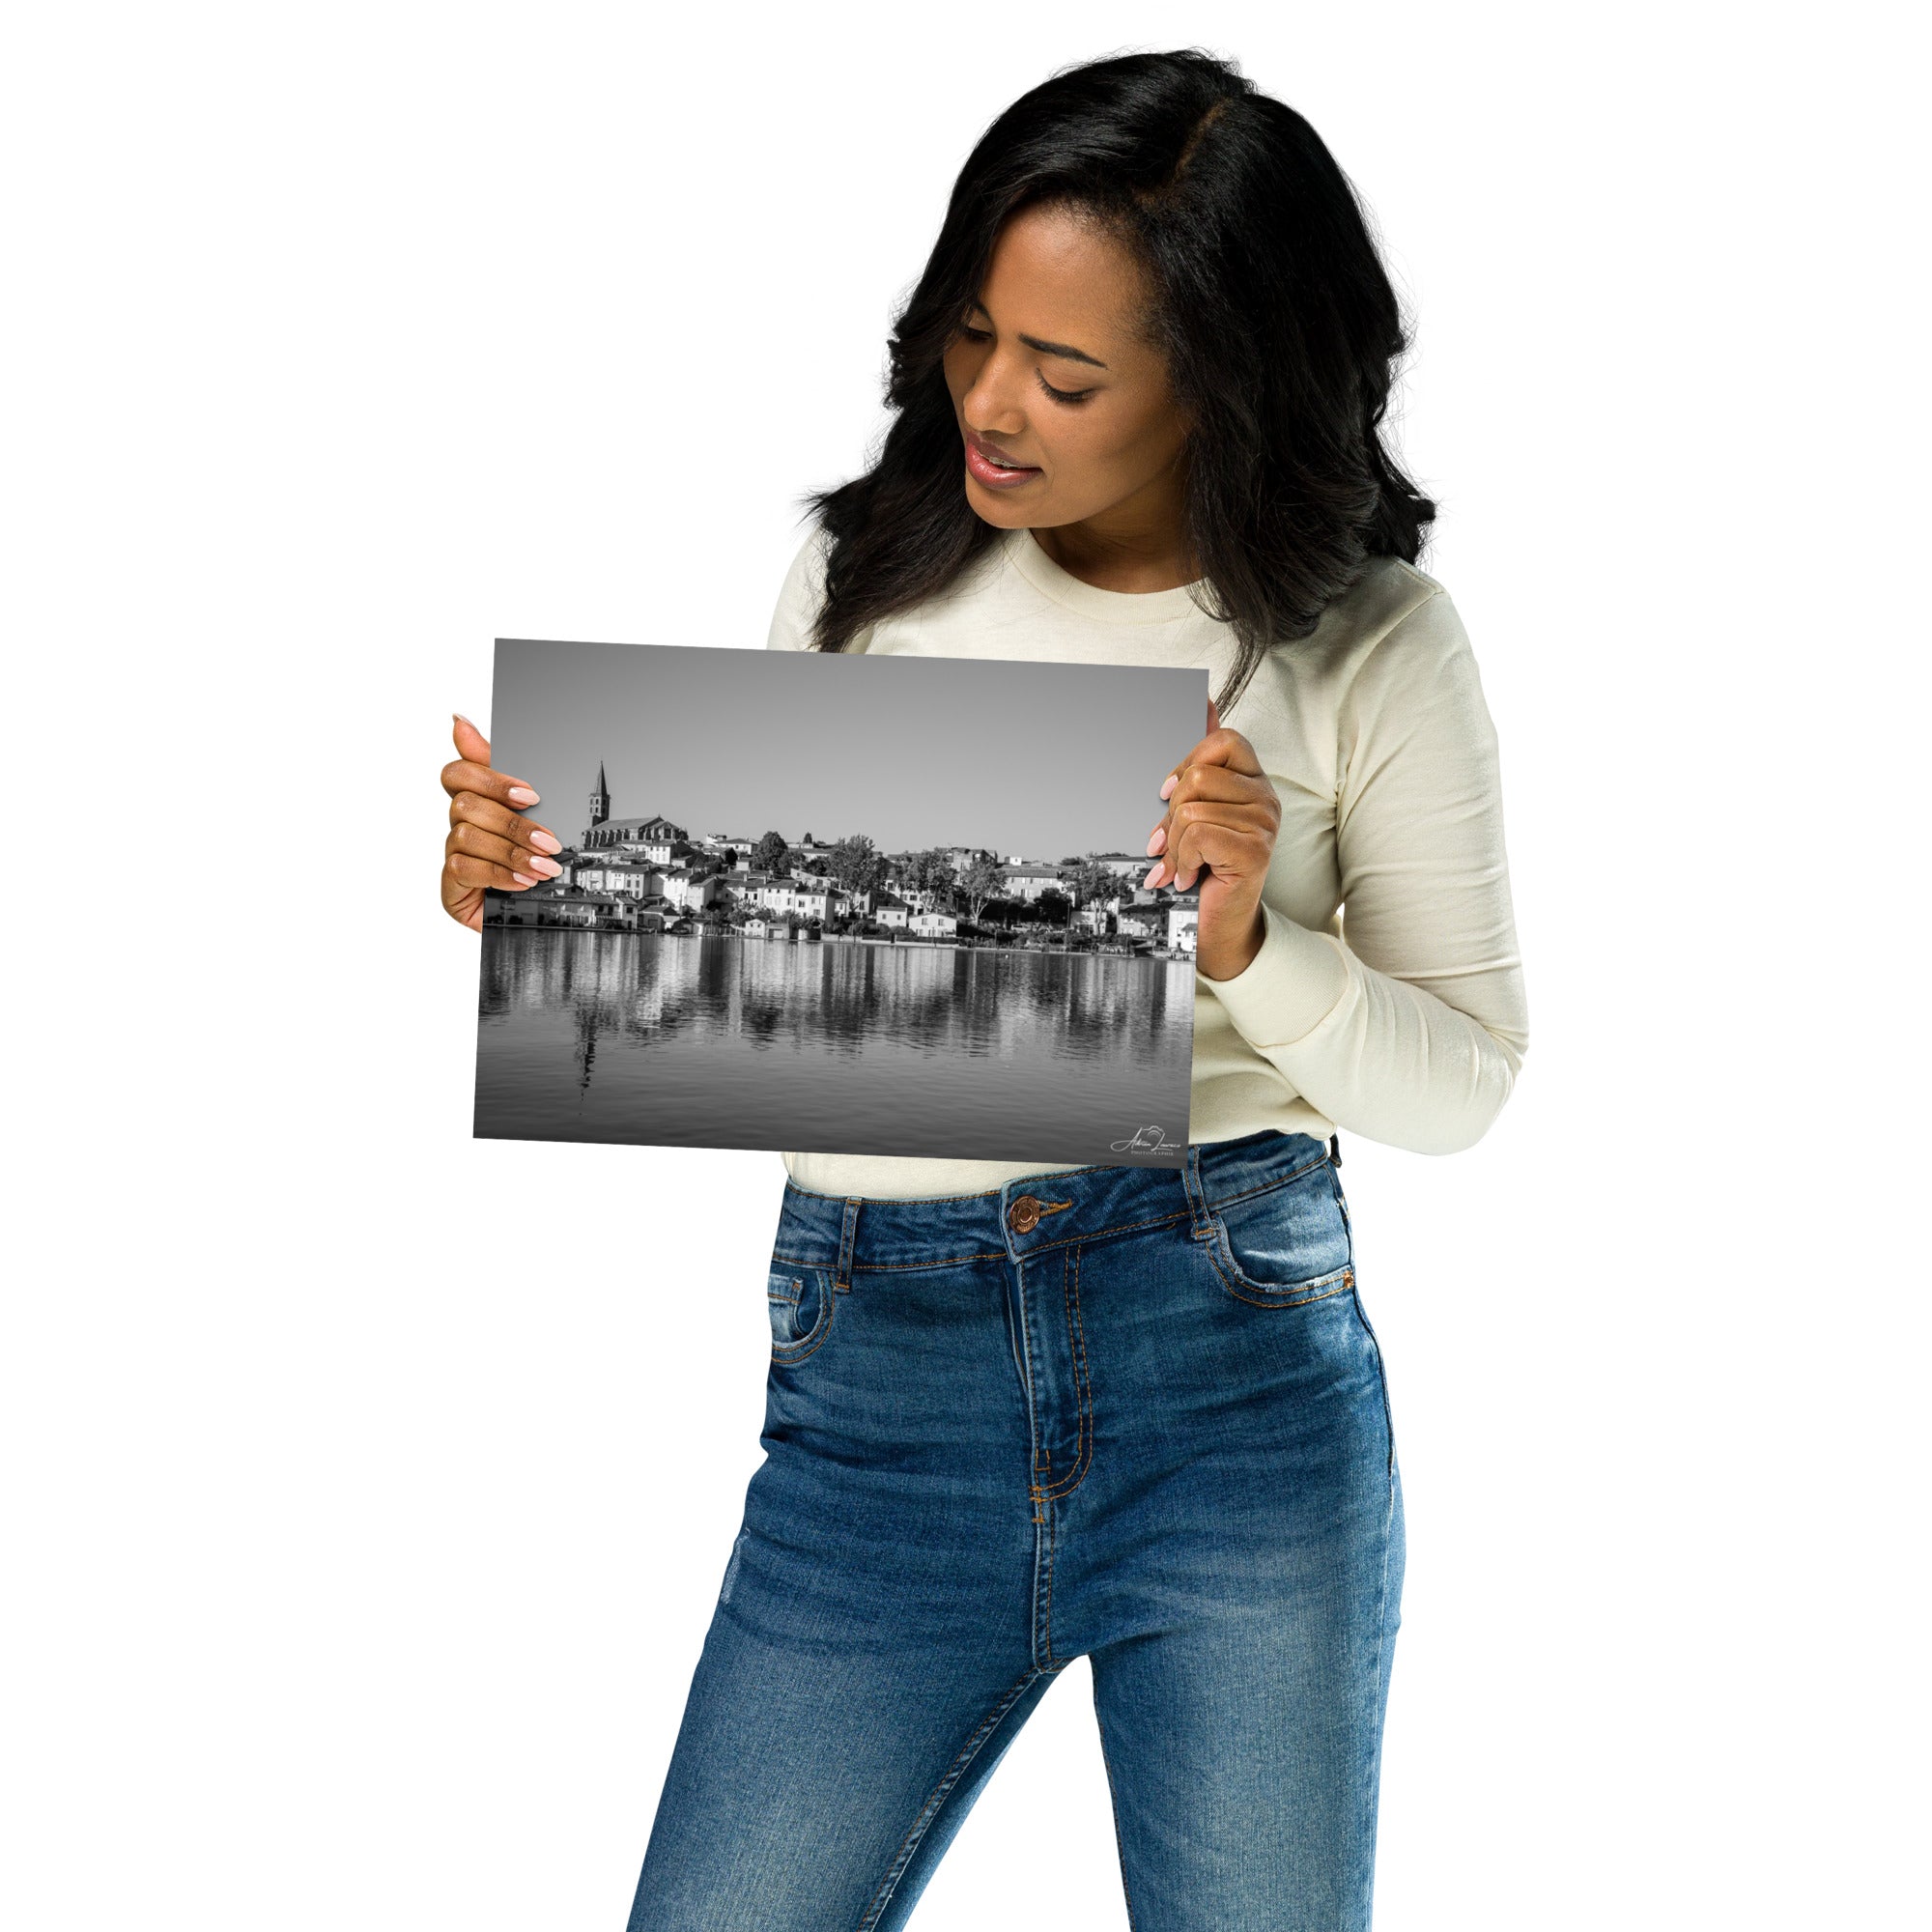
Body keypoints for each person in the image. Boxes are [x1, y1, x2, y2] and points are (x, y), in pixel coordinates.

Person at [440, 48, 1528, 1932]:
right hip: (874, 1394)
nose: (989, 403)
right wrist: (547, 903)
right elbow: (784, 1005)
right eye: (969, 334)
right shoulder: (864, 577)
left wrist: (1251, 942)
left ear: (1222, 384)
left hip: (1230, 1375)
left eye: (1067, 371)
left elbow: (1463, 1088)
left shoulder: (1369, 642)